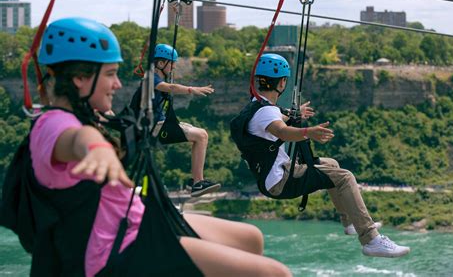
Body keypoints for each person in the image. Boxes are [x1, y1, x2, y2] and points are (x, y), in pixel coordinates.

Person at [19, 18, 291, 276]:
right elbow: (76, 139)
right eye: (111, 74)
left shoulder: (81, 116)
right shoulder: (55, 125)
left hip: (132, 219)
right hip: (116, 244)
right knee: (274, 273)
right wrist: (99, 150)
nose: (118, 84)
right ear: (80, 78)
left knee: (250, 239)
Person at [231, 53, 410, 258]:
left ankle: (351, 222)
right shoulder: (266, 112)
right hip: (281, 180)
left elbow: (276, 116)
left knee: (332, 164)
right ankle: (371, 239)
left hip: (272, 178)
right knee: (344, 177)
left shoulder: (256, 104)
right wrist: (309, 132)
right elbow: (281, 130)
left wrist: (295, 113)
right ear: (282, 82)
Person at [137, 44, 221, 197]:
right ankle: (197, 183)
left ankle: (193, 182)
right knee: (201, 135)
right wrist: (191, 89)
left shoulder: (154, 77)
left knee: (199, 135)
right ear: (161, 63)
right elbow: (171, 87)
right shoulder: (151, 78)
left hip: (159, 124)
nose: (174, 66)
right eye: (172, 63)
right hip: (154, 127)